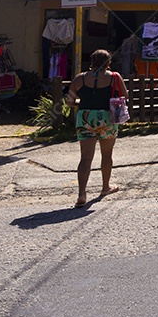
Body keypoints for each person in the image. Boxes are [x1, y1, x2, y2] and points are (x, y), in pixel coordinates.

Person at [65, 49, 126, 208]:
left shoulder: (80, 78)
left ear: (91, 62)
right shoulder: (114, 77)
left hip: (85, 118)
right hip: (107, 118)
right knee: (107, 155)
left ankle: (81, 194)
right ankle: (105, 187)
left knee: (85, 158)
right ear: (108, 63)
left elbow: (69, 102)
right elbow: (124, 96)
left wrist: (82, 104)